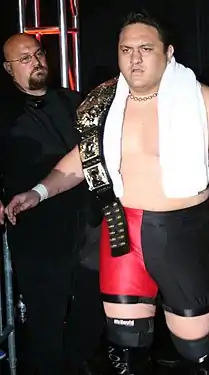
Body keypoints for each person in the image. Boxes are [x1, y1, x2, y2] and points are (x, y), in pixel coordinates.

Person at [4, 12, 209, 375]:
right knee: (125, 352)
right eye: (126, 49)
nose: (134, 58)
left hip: (181, 236)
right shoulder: (105, 101)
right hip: (122, 232)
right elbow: (83, 158)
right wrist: (39, 192)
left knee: (195, 350)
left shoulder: (201, 99)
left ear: (168, 53)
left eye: (145, 48)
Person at [0, 33, 104, 375]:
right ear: (8, 69)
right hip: (37, 232)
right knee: (46, 316)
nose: (36, 61)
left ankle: (75, 364)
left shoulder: (74, 101)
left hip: (87, 225)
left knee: (93, 307)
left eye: (38, 53)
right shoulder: (4, 114)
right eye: (25, 58)